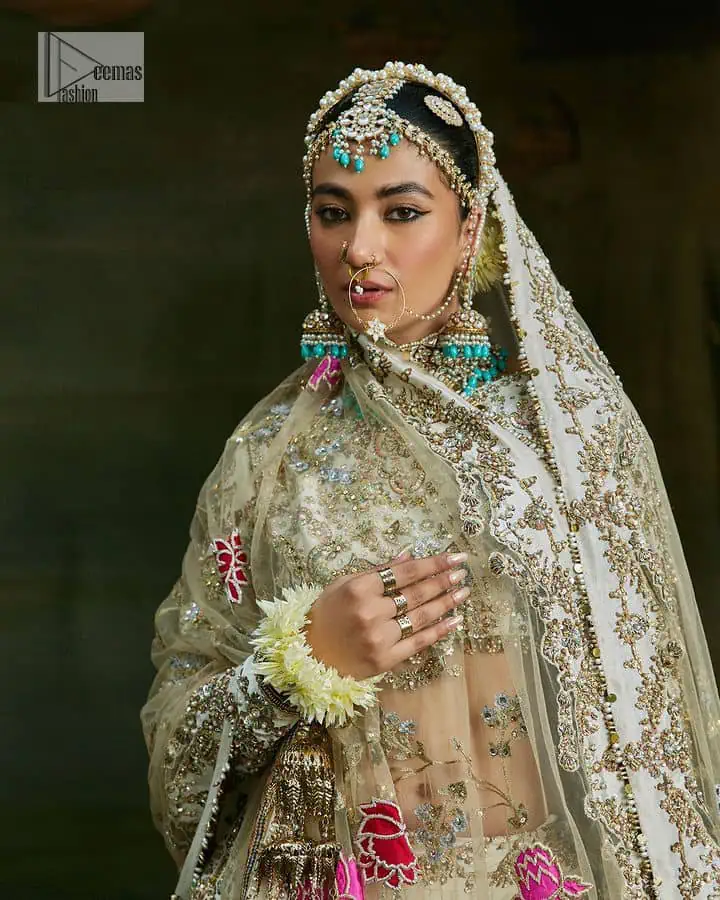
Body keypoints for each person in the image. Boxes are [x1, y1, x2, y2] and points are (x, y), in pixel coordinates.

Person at [141, 62, 720, 900]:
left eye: (402, 211)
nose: (359, 248)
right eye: (332, 212)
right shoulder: (264, 457)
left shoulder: (560, 439)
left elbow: (651, 729)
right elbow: (181, 726)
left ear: (472, 223)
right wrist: (298, 663)